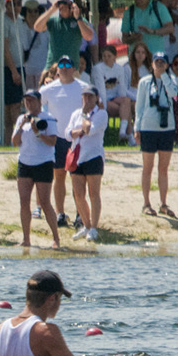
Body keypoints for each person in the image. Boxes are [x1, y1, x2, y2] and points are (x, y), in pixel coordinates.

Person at [38, 57, 89, 228]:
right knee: (59, 175)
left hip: (77, 138)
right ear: (57, 69)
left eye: (68, 65)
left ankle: (80, 214)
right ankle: (60, 213)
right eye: (61, 65)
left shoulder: (82, 87)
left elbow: (94, 105)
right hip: (58, 137)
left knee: (78, 177)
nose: (65, 68)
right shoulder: (49, 89)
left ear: (74, 69)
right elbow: (36, 104)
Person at [10, 87, 63, 250]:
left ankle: (56, 238)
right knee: (24, 201)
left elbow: (52, 141)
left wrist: (38, 132)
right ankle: (26, 238)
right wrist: (22, 126)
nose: (29, 103)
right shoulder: (22, 119)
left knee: (45, 202)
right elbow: (14, 142)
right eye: (26, 100)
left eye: (32, 100)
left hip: (43, 162)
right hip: (25, 162)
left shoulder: (48, 118)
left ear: (39, 102)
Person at [134, 50, 178, 218]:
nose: (159, 65)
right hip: (148, 127)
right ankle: (146, 203)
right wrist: (137, 128)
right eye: (157, 62)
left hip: (167, 128)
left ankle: (163, 203)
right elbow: (139, 107)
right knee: (148, 167)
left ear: (167, 65)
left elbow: (174, 94)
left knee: (163, 168)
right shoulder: (144, 82)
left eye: (163, 62)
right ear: (152, 64)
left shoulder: (171, 79)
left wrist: (164, 76)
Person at [67, 85, 108, 242]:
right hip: (77, 157)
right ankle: (86, 224)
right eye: (85, 96)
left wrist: (84, 117)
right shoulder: (75, 114)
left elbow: (90, 129)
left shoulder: (101, 114)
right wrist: (79, 131)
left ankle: (94, 227)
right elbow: (68, 133)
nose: (87, 99)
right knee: (78, 194)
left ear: (96, 98)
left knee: (94, 193)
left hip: (93, 156)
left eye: (90, 96)